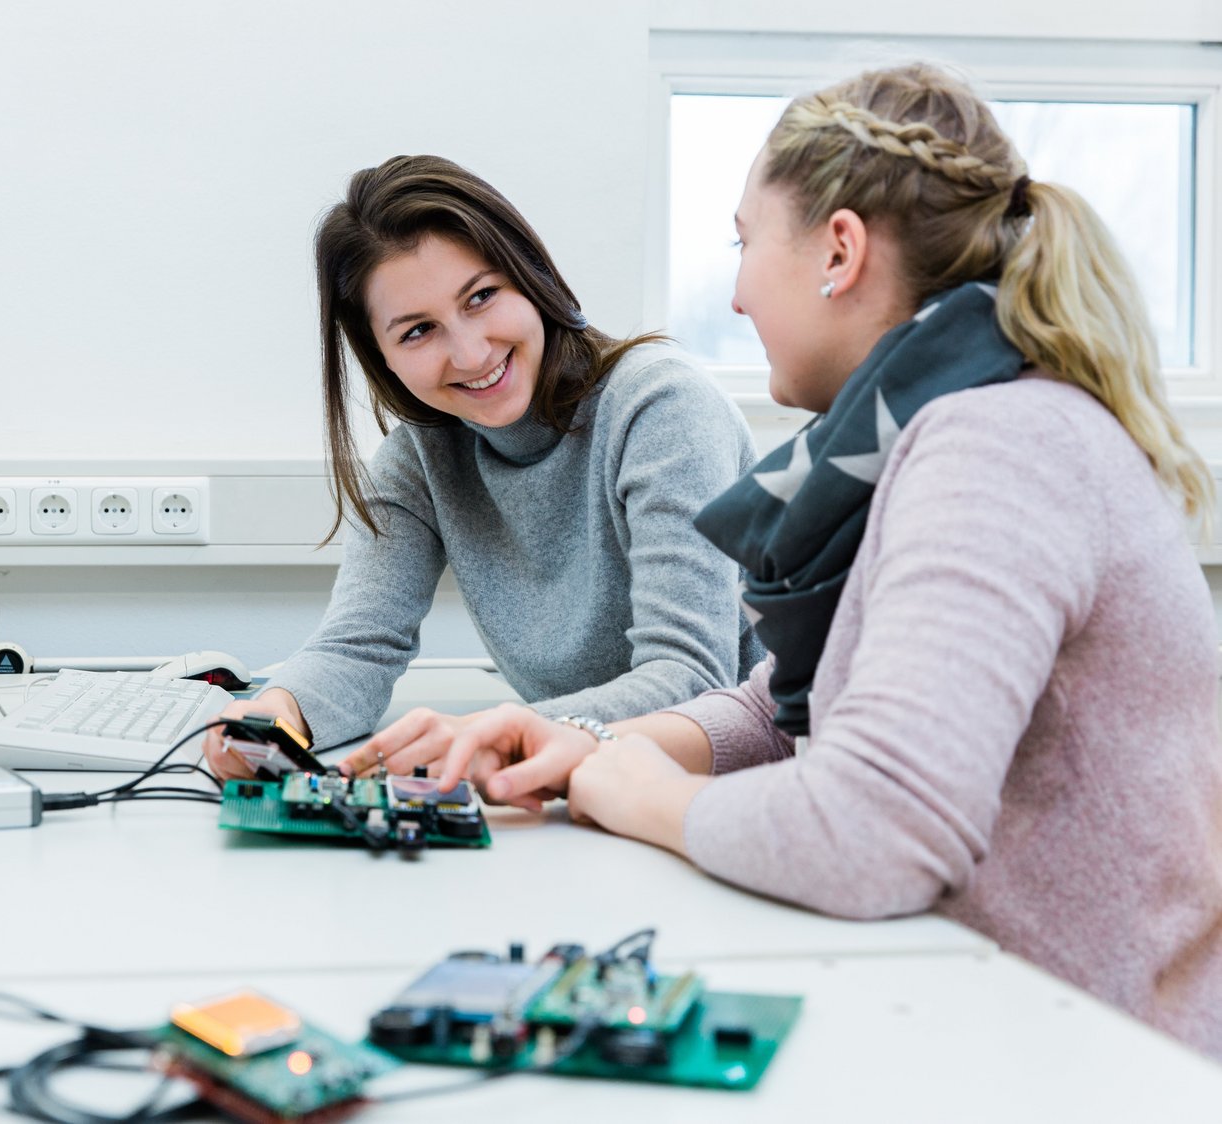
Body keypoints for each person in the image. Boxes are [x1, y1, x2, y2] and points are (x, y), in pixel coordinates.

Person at [432, 64, 1222, 1059]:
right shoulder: (937, 428)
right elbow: (790, 702)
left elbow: (876, 828)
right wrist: (588, 740)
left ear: (838, 250)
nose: (736, 288)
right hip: (994, 1013)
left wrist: (651, 797)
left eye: (745, 239)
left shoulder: (1001, 447)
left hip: (1087, 1053)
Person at [204, 154, 763, 775]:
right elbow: (356, 649)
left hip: (734, 774)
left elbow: (690, 677)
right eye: (417, 331)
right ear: (382, 356)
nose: (471, 353)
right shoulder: (420, 457)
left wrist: (483, 733)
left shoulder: (661, 407)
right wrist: (272, 716)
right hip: (579, 783)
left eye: (482, 296)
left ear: (532, 277)